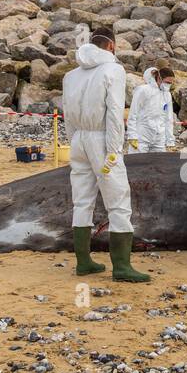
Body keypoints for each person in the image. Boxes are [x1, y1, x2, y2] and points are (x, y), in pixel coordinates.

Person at [61, 27, 149, 282]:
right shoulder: (113, 70)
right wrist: (114, 150)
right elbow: (113, 113)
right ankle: (121, 266)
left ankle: (83, 261)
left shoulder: (71, 75)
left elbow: (67, 113)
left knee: (82, 200)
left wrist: (74, 141)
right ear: (111, 46)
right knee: (118, 201)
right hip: (101, 139)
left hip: (78, 138)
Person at [127, 66, 176, 153]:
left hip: (159, 138)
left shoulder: (167, 94)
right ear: (159, 78)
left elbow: (168, 119)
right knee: (138, 165)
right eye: (167, 82)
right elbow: (133, 113)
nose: (168, 85)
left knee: (159, 165)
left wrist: (170, 141)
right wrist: (132, 135)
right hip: (141, 136)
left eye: (171, 83)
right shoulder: (143, 90)